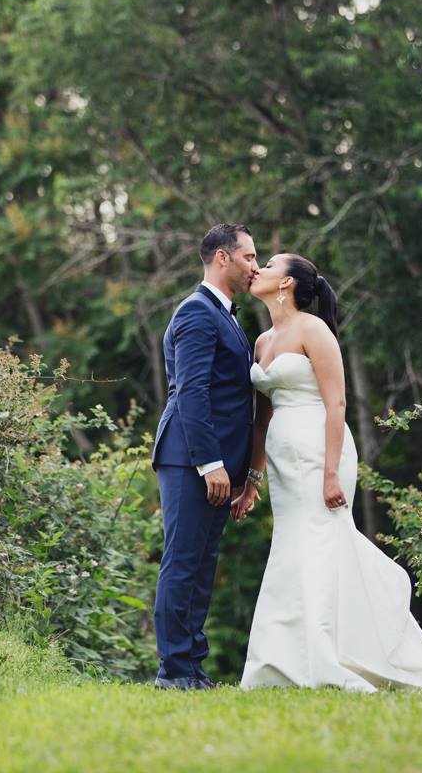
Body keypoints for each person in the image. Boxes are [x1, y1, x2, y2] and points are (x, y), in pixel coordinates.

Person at [231, 252, 422, 693]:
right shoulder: (260, 342)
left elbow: (337, 403)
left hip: (323, 452)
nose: (259, 268)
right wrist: (252, 480)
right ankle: (279, 662)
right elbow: (259, 420)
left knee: (321, 544)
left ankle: (333, 657)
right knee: (291, 548)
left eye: (271, 263)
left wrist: (331, 474)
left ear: (287, 284)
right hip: (282, 460)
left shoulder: (314, 330)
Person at [150, 223, 259, 690]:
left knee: (201, 564)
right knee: (182, 560)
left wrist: (238, 472)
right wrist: (209, 463)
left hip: (214, 463)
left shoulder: (228, 316)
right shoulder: (197, 313)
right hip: (189, 458)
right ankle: (173, 672)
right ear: (221, 257)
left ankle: (192, 667)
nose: (255, 266)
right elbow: (191, 392)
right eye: (249, 257)